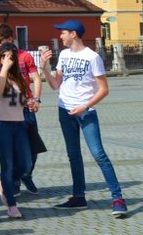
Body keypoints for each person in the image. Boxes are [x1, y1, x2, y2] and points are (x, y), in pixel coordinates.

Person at [39, 19, 127, 218]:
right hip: (64, 110)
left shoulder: (92, 57)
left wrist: (85, 106)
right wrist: (44, 67)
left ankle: (118, 198)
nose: (60, 36)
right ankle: (78, 196)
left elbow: (104, 89)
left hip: (85, 112)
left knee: (99, 154)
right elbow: (55, 85)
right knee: (73, 155)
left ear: (74, 34)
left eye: (63, 32)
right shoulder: (63, 54)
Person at [0, 44, 37, 218]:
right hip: (1, 125)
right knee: (7, 164)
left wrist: (29, 103)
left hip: (19, 124)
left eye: (11, 57)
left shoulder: (18, 78)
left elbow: (20, 100)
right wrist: (4, 70)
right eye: (4, 56)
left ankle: (3, 183)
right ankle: (12, 204)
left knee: (26, 163)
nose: (8, 59)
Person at [0, 24, 43, 194]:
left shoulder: (25, 56)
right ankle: (13, 182)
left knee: (32, 145)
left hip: (27, 106)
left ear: (10, 39)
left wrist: (36, 99)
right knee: (13, 148)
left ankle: (26, 174)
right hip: (10, 108)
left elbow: (36, 78)